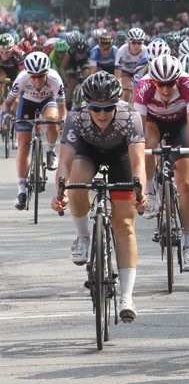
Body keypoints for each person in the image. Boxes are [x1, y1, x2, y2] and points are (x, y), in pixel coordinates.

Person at [51, 72, 147, 322]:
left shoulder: (130, 117)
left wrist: (141, 192)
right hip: (88, 151)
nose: (102, 114)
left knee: (124, 224)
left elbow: (138, 163)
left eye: (108, 108)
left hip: (120, 155)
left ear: (117, 103)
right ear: (87, 105)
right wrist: (59, 193)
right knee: (77, 182)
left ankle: (127, 296)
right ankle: (83, 236)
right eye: (96, 108)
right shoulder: (76, 117)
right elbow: (64, 163)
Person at [135, 54, 189, 271]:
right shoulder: (143, 86)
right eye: (160, 84)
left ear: (178, 80)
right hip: (154, 123)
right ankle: (151, 190)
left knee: (185, 184)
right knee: (146, 146)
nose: (165, 89)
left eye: (170, 83)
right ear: (152, 80)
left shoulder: (188, 84)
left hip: (180, 123)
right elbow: (138, 131)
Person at [2, 52, 67, 209]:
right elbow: (8, 103)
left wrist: (63, 121)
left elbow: (62, 108)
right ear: (28, 74)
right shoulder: (22, 78)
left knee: (52, 120)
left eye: (41, 76)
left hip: (47, 101)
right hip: (27, 103)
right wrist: (4, 115)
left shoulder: (55, 79)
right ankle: (22, 191)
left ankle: (51, 151)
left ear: (47, 73)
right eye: (33, 76)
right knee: (23, 146)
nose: (37, 80)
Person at [114, 28, 147, 102]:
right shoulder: (121, 51)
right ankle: (123, 107)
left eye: (139, 43)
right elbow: (117, 74)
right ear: (128, 42)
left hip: (140, 72)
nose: (136, 46)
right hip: (126, 72)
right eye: (133, 42)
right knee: (127, 89)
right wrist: (119, 87)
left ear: (143, 43)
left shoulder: (146, 51)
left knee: (139, 90)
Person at [0, 33, 24, 99]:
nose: (4, 54)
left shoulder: (17, 54)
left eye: (7, 52)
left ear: (11, 50)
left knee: (15, 98)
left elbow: (23, 70)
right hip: (2, 70)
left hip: (15, 71)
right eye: (1, 52)